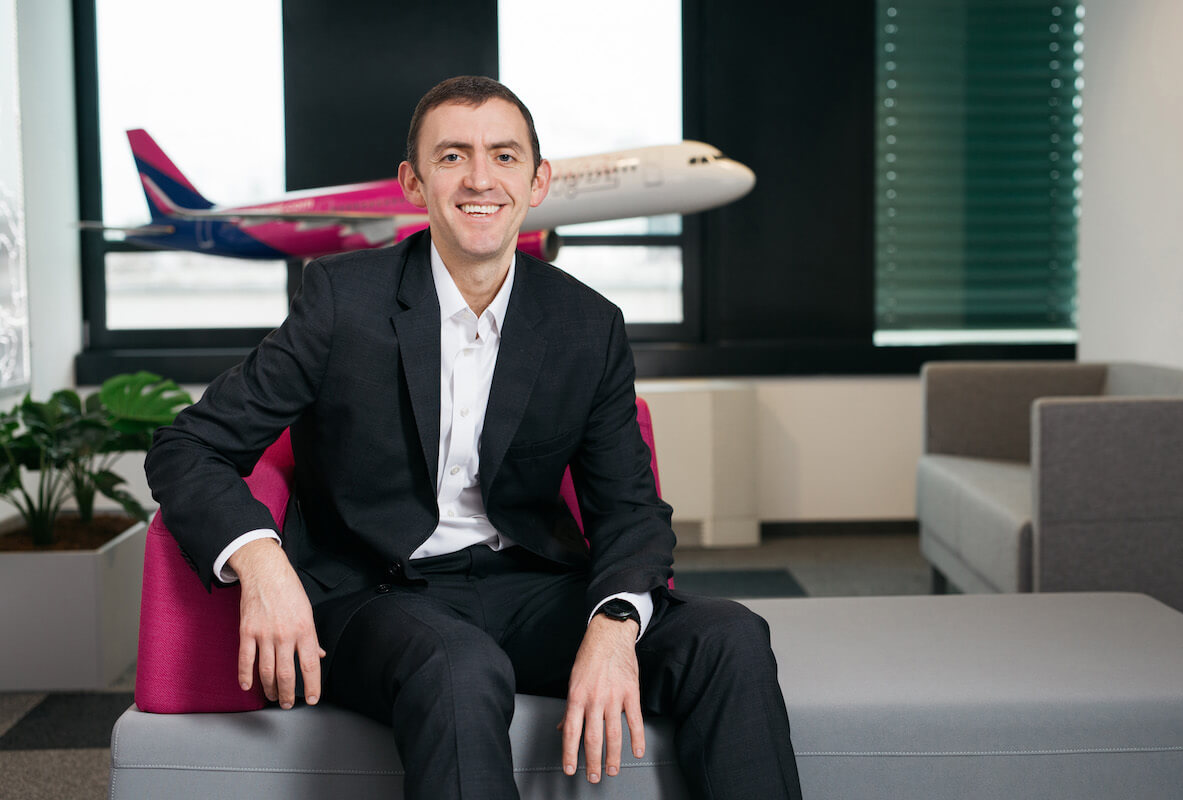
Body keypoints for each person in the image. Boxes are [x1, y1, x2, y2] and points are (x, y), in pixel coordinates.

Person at [145, 75, 802, 800]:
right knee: (460, 665)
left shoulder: (587, 324)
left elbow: (630, 509)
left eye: (505, 156)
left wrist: (615, 624)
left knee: (730, 636)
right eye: (453, 156)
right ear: (414, 183)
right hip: (377, 592)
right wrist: (263, 562)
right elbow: (188, 446)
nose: (481, 179)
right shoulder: (342, 301)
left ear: (538, 182)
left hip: (529, 586)